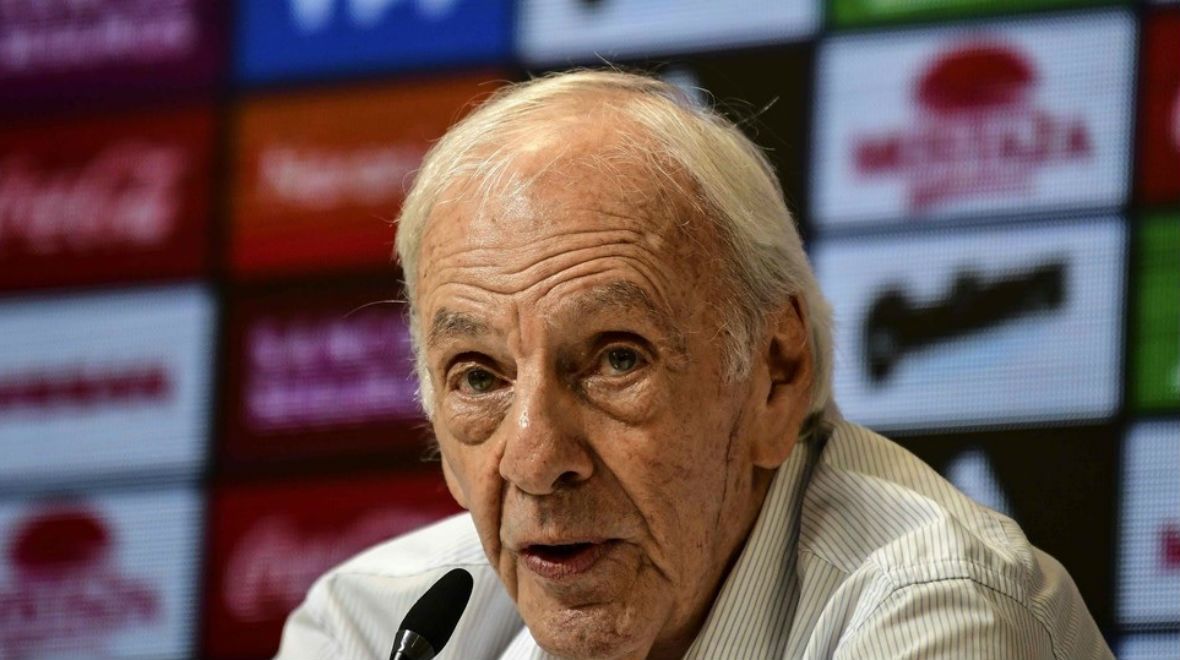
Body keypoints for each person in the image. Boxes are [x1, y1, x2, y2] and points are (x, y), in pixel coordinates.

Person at [276, 70, 1111, 659]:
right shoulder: (374, 627)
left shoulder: (941, 613)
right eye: (479, 377)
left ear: (776, 376)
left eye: (615, 359)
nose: (534, 459)